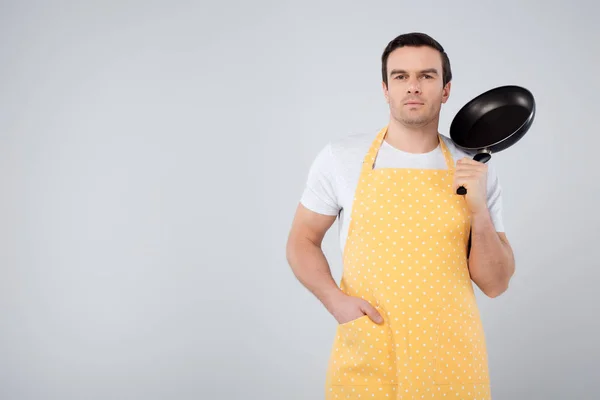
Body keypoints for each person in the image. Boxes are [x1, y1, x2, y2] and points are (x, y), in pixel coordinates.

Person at [285, 32, 515, 399]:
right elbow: (302, 240)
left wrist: (478, 210)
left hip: (451, 353)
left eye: (426, 76)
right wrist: (335, 300)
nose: (413, 87)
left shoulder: (472, 166)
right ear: (385, 88)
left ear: (446, 89)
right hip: (371, 346)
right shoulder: (340, 158)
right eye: (400, 76)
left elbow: (496, 284)